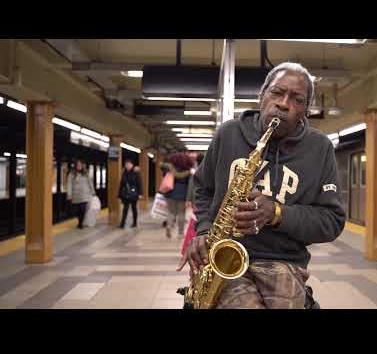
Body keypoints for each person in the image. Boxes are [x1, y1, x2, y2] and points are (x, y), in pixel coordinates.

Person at [177, 62, 346, 309]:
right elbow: (203, 189)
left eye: (297, 99)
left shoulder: (320, 148)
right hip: (222, 255)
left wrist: (277, 213)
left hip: (284, 261)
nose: (283, 104)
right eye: (277, 93)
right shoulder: (228, 134)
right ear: (262, 95)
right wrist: (203, 231)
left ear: (305, 111)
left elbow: (332, 221)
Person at [161, 153, 194, 239]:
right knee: (181, 214)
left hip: (170, 193)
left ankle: (169, 225)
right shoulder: (188, 173)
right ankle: (180, 233)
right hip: (183, 194)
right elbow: (190, 186)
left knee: (171, 212)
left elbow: (162, 167)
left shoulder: (170, 170)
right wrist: (189, 198)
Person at [66, 159, 95, 229]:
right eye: (78, 165)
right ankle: (80, 221)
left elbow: (90, 183)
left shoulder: (85, 173)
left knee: (83, 209)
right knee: (77, 210)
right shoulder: (72, 174)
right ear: (75, 166)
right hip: (76, 195)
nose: (79, 166)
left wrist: (93, 192)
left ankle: (80, 223)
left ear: (82, 165)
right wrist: (69, 195)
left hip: (85, 194)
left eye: (80, 165)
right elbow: (69, 184)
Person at [118, 159, 143, 228]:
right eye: (126, 164)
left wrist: (140, 193)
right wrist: (119, 196)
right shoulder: (124, 173)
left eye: (129, 164)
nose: (127, 165)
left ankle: (135, 223)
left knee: (134, 208)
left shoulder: (136, 172)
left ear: (132, 165)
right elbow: (121, 185)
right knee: (125, 209)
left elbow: (139, 183)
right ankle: (122, 223)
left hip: (134, 194)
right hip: (125, 194)